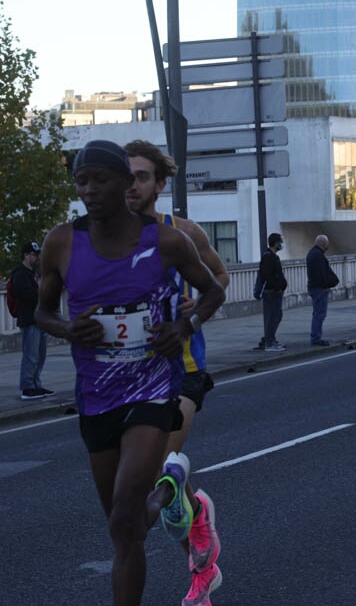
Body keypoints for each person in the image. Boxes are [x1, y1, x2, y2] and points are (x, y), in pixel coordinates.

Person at [34, 139, 225, 606]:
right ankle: (171, 486)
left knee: (124, 513)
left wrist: (184, 325)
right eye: (82, 181)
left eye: (101, 179)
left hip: (154, 390)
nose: (90, 190)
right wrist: (67, 329)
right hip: (96, 396)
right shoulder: (62, 241)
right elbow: (40, 314)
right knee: (127, 528)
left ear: (125, 183)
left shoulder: (167, 239)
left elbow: (214, 289)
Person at [124, 140, 229, 605]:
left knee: (162, 466)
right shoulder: (99, 240)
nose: (131, 186)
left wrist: (194, 311)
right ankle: (200, 546)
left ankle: (199, 565)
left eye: (141, 176)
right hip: (128, 376)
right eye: (124, 176)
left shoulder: (182, 233)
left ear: (159, 184)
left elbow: (221, 279)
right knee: (157, 488)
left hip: (183, 369)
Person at [11, 241, 51, 400]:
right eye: (34, 254)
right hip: (29, 320)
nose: (37, 258)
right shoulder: (20, 273)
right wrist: (41, 290)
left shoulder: (33, 273)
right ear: (26, 255)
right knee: (31, 355)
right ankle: (27, 388)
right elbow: (24, 293)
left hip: (39, 320)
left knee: (40, 355)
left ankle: (36, 385)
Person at [255, 233, 287, 351]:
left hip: (276, 291)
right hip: (271, 292)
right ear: (276, 243)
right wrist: (277, 286)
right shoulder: (268, 257)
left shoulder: (273, 256)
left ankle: (271, 339)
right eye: (280, 242)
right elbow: (268, 276)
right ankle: (269, 343)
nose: (281, 244)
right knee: (271, 317)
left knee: (276, 316)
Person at [306, 234, 340, 346]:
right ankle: (316, 338)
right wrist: (326, 284)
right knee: (319, 314)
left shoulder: (313, 254)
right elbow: (321, 274)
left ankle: (316, 336)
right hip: (319, 288)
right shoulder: (317, 256)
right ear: (322, 244)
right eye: (327, 244)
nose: (328, 245)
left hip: (316, 287)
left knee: (318, 313)